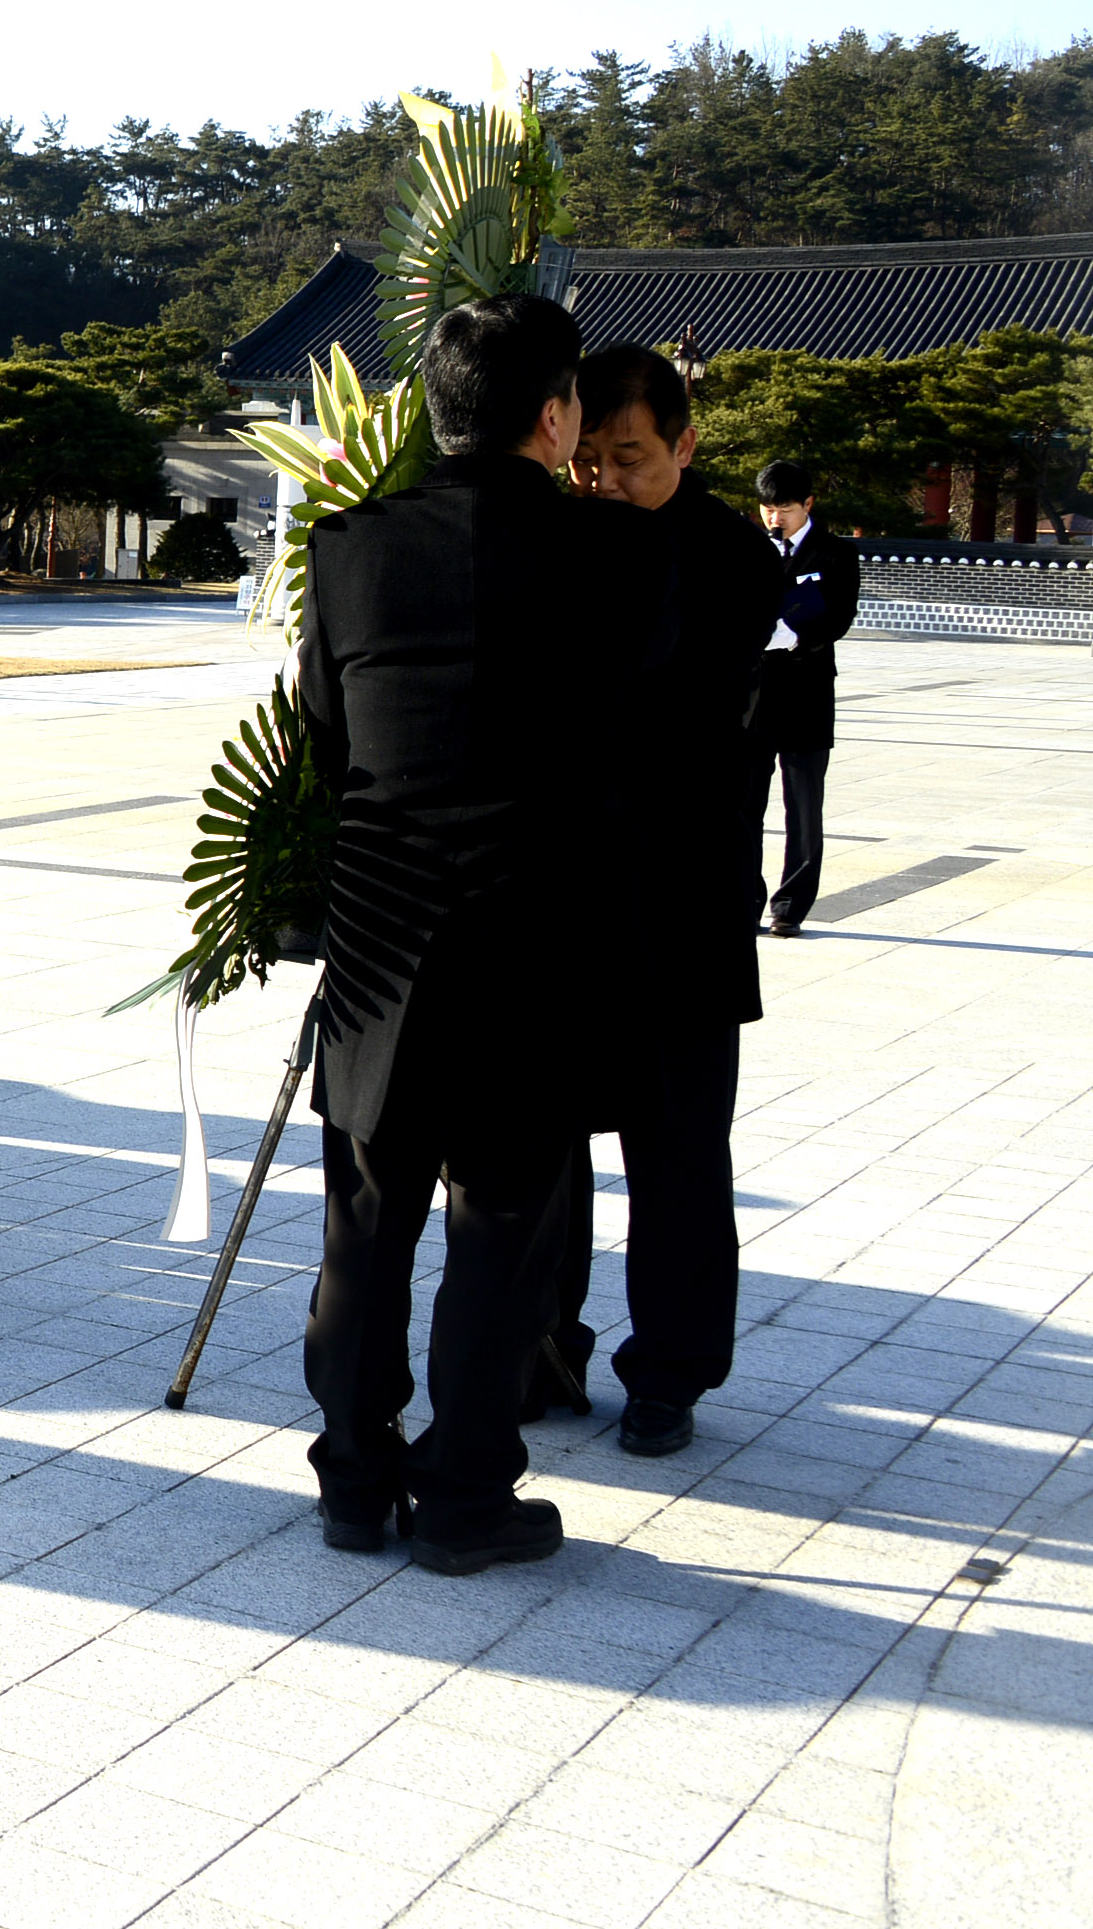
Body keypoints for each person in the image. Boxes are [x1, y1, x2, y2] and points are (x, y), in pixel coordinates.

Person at [297, 294, 675, 1575]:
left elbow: (325, 745)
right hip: (531, 945)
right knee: (498, 1227)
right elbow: (644, 743)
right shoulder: (616, 555)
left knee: (365, 1218)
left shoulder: (344, 548)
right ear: (555, 413)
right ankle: (462, 1492)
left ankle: (351, 1479)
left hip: (380, 944)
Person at [546, 345, 789, 1459]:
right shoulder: (553, 532)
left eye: (630, 457)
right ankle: (541, 1345)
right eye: (585, 457)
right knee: (539, 1145)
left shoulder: (735, 558)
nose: (603, 478)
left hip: (683, 895)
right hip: (560, 894)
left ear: (685, 445)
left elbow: (657, 704)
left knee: (677, 1151)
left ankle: (669, 1370)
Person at [749, 458, 859, 938]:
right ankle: (743, 898)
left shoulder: (835, 554)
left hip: (807, 693)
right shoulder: (750, 549)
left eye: (786, 509)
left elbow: (838, 617)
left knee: (804, 804)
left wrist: (795, 636)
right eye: (768, 509)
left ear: (808, 504)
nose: (776, 519)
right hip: (753, 696)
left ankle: (790, 905)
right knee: (744, 803)